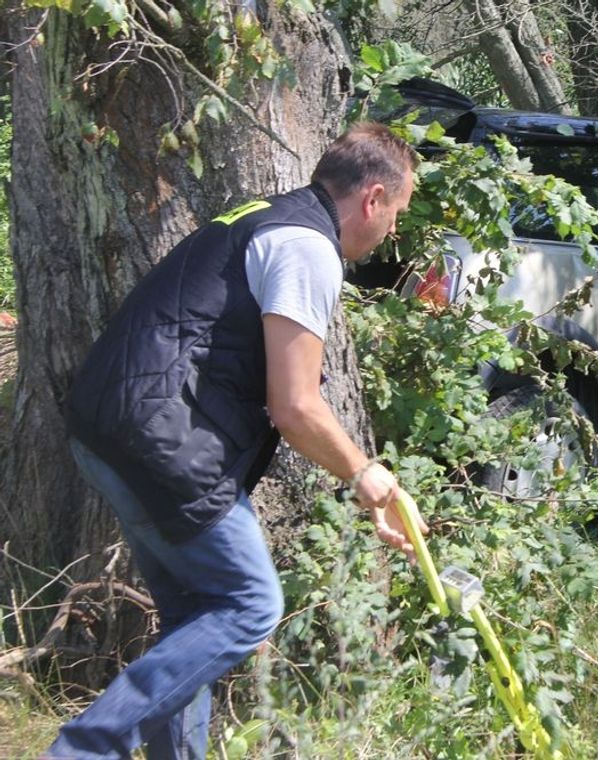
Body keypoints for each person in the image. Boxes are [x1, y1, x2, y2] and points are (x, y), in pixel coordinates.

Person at [44, 122, 426, 760]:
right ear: (373, 198)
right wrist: (365, 473)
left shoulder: (266, 216)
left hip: (108, 424)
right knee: (250, 604)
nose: (393, 232)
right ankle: (81, 751)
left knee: (196, 617)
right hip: (161, 440)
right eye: (397, 215)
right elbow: (297, 407)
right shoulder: (308, 249)